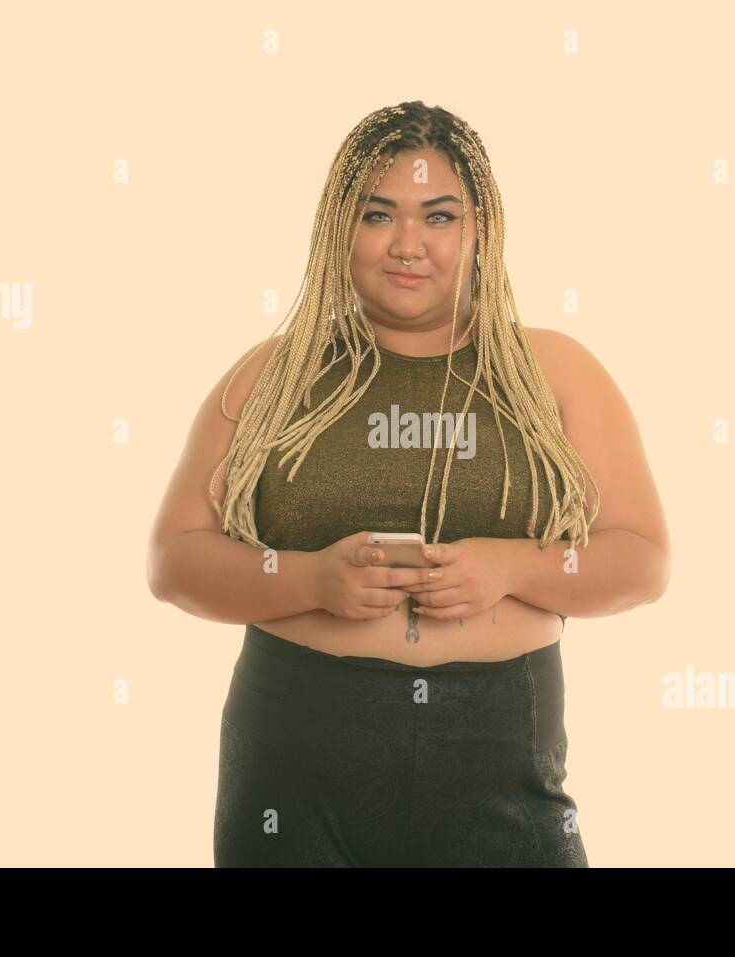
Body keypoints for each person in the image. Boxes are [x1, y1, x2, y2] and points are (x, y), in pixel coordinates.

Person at [147, 100, 670, 866]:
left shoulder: (554, 370)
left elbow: (643, 557)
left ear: (480, 231)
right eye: (378, 213)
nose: (407, 244)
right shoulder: (274, 372)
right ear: (339, 227)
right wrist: (310, 578)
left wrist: (514, 565)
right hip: (296, 759)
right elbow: (173, 559)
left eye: (440, 216)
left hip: (499, 757)